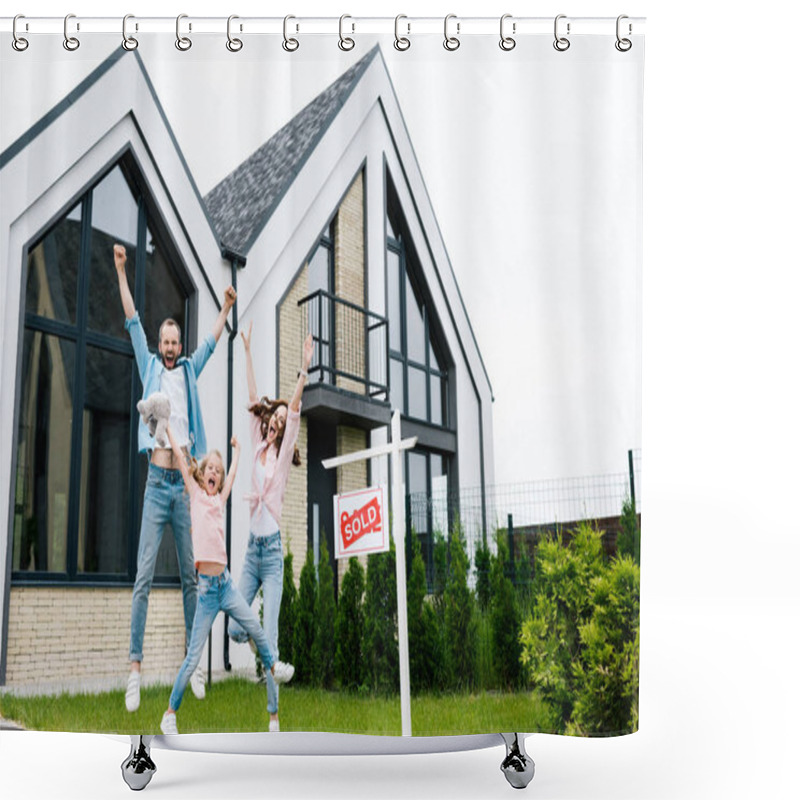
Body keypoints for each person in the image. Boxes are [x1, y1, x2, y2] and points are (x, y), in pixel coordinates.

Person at [113, 243, 236, 712]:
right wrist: (122, 271)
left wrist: (225, 306)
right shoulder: (148, 366)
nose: (168, 347)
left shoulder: (188, 370)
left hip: (184, 492)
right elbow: (130, 319)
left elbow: (211, 341)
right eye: (163, 341)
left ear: (178, 346)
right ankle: (135, 670)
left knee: (193, 578)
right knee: (143, 576)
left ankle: (194, 665)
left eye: (172, 342)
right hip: (155, 487)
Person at [159, 426, 295, 735]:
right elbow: (182, 459)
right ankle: (170, 713)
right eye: (211, 469)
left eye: (218, 473)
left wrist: (237, 452)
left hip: (226, 585)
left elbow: (234, 475)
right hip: (206, 593)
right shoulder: (195, 496)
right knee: (193, 657)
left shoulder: (219, 501)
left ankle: (274, 671)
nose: (215, 474)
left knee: (258, 630)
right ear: (202, 473)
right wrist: (168, 427)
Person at [228, 322, 313, 732]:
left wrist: (303, 369)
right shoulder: (258, 445)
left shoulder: (280, 462)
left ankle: (274, 717)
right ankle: (263, 650)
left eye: (281, 419)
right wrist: (245, 351)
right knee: (231, 628)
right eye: (275, 417)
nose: (278, 421)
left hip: (272, 555)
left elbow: (295, 411)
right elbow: (250, 398)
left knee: (272, 640)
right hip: (250, 554)